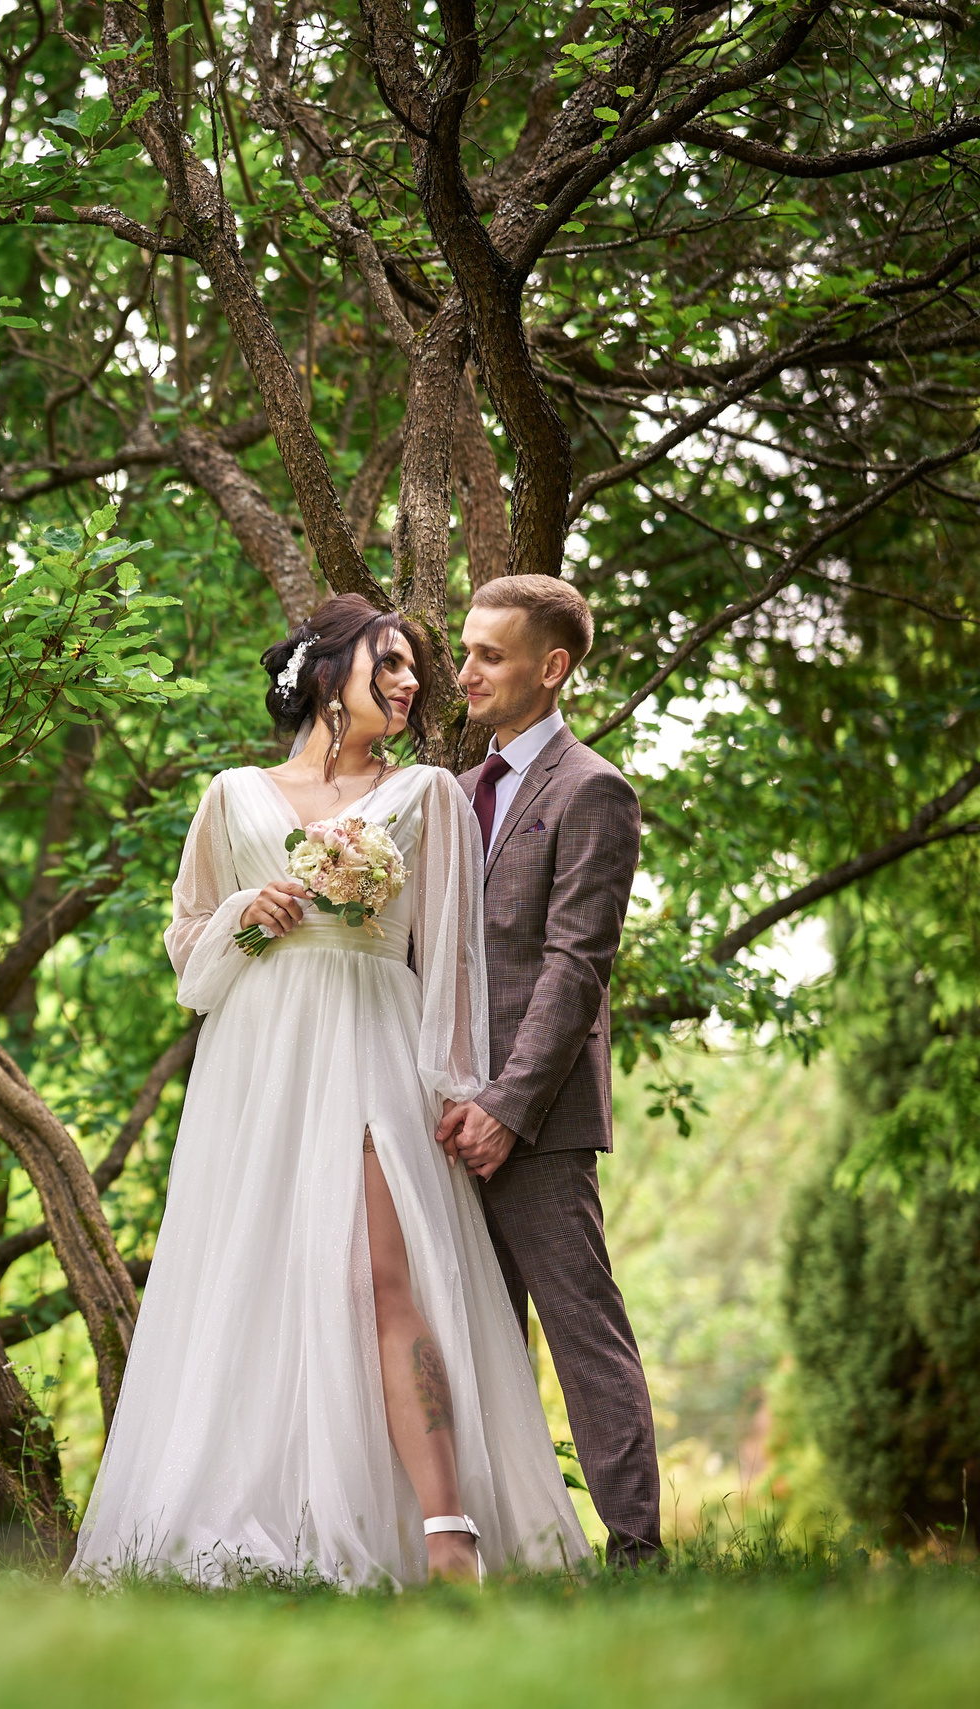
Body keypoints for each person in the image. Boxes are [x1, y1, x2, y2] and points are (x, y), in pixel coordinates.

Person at [69, 593, 588, 1590]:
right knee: (253, 1275)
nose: (407, 683)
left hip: (367, 1043)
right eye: (388, 663)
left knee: (380, 1276)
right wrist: (241, 914)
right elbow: (187, 948)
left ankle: (448, 1532)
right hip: (256, 1058)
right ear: (324, 671)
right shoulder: (230, 795)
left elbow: (451, 959)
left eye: (415, 672)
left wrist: (457, 1087)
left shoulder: (427, 794)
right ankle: (272, 1516)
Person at [435, 574, 666, 1568]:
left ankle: (634, 1552)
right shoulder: (449, 789)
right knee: (467, 1337)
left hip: (536, 1121)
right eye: (466, 648)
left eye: (490, 653)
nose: (466, 669)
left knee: (581, 1332)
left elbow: (577, 964)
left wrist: (507, 1103)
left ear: (551, 666)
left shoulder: (591, 789)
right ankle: (499, 1543)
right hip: (437, 1113)